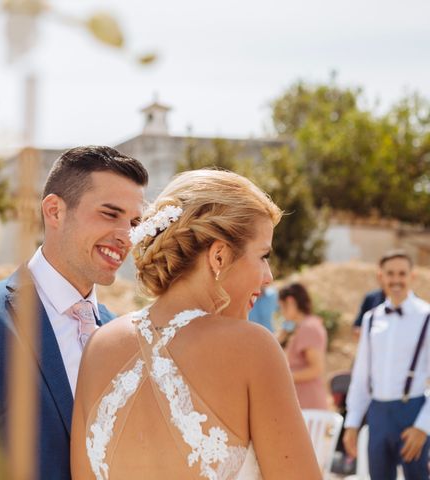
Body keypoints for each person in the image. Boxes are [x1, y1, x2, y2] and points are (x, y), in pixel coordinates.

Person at [0, 146, 148, 479]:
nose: (126, 235)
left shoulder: (120, 335)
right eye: (110, 214)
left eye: (135, 222)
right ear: (54, 211)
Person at [71, 169, 320, 479]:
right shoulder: (253, 349)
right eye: (263, 256)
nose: (268, 276)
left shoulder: (99, 344)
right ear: (218, 257)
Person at [343, 250, 430, 480]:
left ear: (412, 276)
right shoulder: (371, 318)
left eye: (402, 273)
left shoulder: (426, 316)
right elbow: (361, 376)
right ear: (381, 276)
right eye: (390, 274)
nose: (396, 280)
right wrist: (352, 422)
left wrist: (424, 425)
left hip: (413, 411)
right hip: (378, 414)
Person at [278, 283, 328, 410]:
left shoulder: (309, 327)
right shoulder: (302, 327)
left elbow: (316, 369)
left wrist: (283, 376)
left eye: (281, 307)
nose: (281, 312)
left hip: (308, 403)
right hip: (302, 400)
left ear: (290, 302)